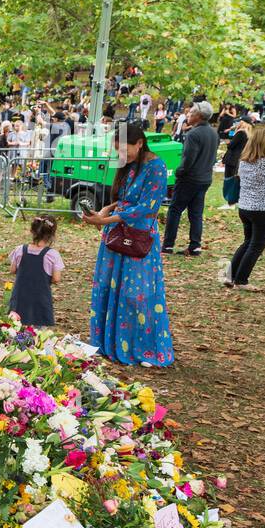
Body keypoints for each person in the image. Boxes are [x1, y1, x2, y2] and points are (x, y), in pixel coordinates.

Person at [82, 122, 173, 367]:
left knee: (136, 294)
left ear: (140, 143)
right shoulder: (128, 165)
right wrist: (105, 209)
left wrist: (105, 220)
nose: (121, 156)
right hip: (116, 235)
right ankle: (110, 342)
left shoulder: (156, 167)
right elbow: (122, 199)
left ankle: (142, 347)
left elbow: (146, 207)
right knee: (110, 289)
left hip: (139, 238)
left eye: (125, 150)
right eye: (118, 152)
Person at [162, 101, 218, 256]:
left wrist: (179, 172)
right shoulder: (214, 133)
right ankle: (195, 245)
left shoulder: (193, 134)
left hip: (189, 179)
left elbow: (188, 160)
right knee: (196, 213)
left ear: (199, 116)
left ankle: (167, 245)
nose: (188, 115)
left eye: (191, 113)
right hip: (205, 178)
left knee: (175, 210)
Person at [225, 124, 265, 292]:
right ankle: (241, 280)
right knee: (255, 246)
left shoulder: (244, 163)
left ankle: (229, 275)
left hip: (245, 208)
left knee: (248, 242)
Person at [8, 215, 64, 326]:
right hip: (40, 301)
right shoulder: (52, 255)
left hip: (20, 299)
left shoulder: (20, 250)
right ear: (52, 235)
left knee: (16, 329)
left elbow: (13, 270)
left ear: (31, 231)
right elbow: (56, 279)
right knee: (39, 334)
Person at [220, 119, 248, 209]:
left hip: (233, 159)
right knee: (233, 179)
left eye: (239, 122)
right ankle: (233, 201)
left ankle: (230, 202)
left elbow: (231, 145)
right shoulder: (246, 133)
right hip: (236, 158)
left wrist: (228, 142)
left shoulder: (241, 133)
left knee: (229, 180)